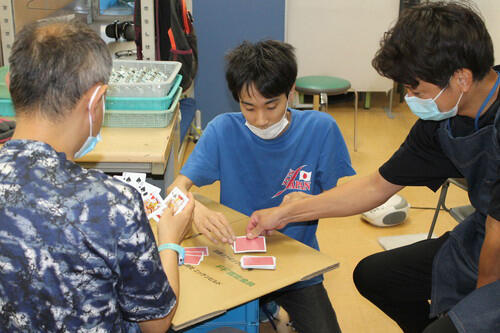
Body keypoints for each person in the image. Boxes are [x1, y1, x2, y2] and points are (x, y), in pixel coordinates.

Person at [245, 2, 500, 333]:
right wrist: (287, 213)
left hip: (495, 246)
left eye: (416, 89)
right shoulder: (442, 121)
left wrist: (475, 314)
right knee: (376, 275)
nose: (410, 99)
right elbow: (375, 186)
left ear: (462, 78)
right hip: (484, 237)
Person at [0, 20, 194, 332]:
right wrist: (169, 241)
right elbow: (156, 324)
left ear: (11, 85)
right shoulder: (112, 204)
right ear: (96, 99)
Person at [167, 40, 355, 333]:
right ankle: (271, 312)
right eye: (248, 107)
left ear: (290, 91)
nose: (262, 119)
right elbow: (175, 189)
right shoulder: (223, 130)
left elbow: (344, 197)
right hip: (235, 263)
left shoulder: (320, 129)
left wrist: (308, 202)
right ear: (236, 99)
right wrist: (194, 208)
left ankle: (275, 312)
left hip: (296, 265)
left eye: (272, 105)